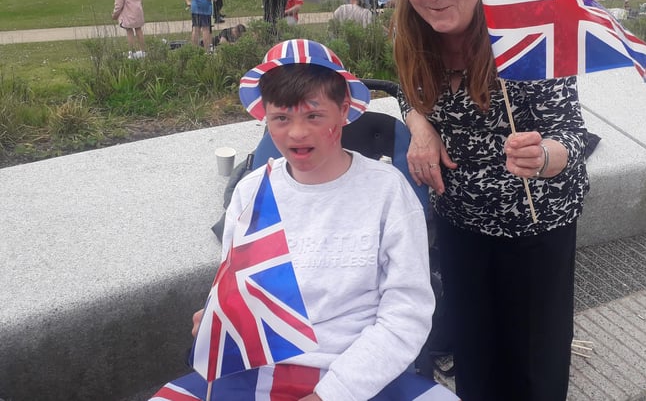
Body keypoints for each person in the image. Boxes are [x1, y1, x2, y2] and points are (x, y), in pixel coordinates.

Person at [148, 39, 452, 401]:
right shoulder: (250, 193)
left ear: (343, 112)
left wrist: (332, 393)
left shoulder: (388, 192)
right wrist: (217, 316)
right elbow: (236, 288)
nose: (296, 133)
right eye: (281, 118)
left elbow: (407, 313)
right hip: (257, 367)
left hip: (361, 374)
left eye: (313, 115)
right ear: (265, 117)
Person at [391, 0, 590, 401]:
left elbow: (570, 133)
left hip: (534, 222)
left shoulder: (526, 37)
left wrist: (542, 155)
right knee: (475, 350)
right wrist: (420, 126)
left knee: (532, 359)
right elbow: (404, 94)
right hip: (459, 220)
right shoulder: (416, 39)